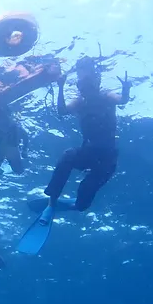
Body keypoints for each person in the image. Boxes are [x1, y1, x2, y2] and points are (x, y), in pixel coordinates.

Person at [44, 56, 131, 210]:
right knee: (68, 155)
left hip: (107, 159)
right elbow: (62, 111)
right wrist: (61, 87)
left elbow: (122, 100)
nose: (85, 89)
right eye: (81, 85)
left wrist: (126, 90)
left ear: (96, 83)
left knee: (85, 193)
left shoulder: (106, 97)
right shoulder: (80, 103)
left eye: (88, 84)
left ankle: (77, 205)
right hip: (88, 153)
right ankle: (52, 200)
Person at [0, 105, 30, 189]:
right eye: (0, 123)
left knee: (19, 171)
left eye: (5, 123)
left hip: (12, 151)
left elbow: (26, 137)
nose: (3, 127)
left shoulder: (17, 129)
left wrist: (24, 150)